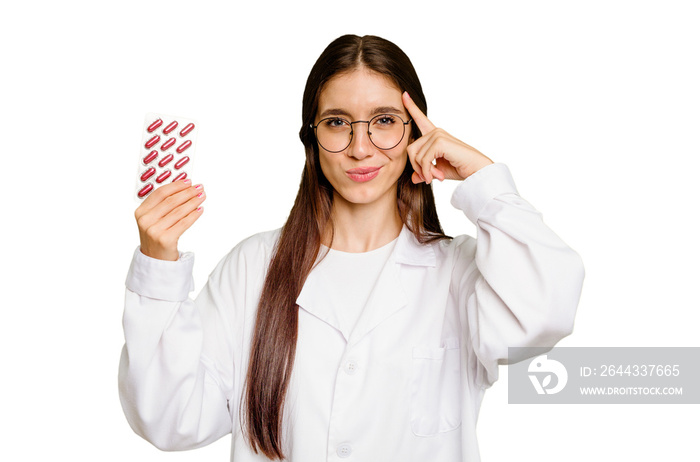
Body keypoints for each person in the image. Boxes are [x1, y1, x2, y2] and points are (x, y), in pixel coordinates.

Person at [119, 34, 584, 462]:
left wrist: (484, 179)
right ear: (312, 137)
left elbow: (545, 313)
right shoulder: (253, 267)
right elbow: (170, 418)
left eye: (384, 122)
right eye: (338, 122)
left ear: (418, 133)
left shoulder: (460, 272)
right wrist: (158, 266)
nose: (361, 148)